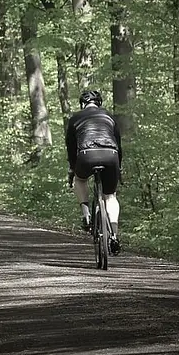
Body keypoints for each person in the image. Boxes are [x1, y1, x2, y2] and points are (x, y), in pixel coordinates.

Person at [64, 90, 123, 255]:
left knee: (80, 180)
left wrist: (72, 168)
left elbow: (70, 147)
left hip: (86, 155)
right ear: (99, 103)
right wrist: (120, 167)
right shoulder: (109, 116)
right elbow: (118, 144)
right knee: (110, 196)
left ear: (83, 104)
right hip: (111, 155)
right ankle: (114, 235)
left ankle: (86, 215)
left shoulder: (75, 117)